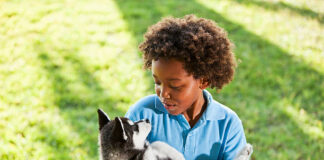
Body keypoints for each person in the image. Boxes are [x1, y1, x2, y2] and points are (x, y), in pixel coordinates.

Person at [125, 14, 247, 160]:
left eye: (175, 86)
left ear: (204, 81)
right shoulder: (141, 115)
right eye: (157, 82)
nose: (164, 94)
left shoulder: (227, 124)